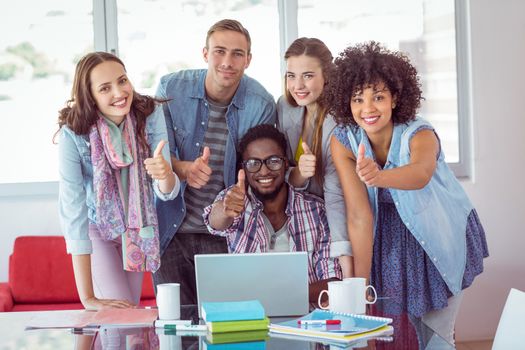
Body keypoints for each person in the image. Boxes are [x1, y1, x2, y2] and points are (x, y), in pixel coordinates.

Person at [327, 41, 489, 344]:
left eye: (378, 97)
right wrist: (359, 287)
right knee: (393, 333)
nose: (368, 109)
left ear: (395, 98)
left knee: (436, 336)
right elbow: (360, 216)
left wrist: (379, 176)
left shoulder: (420, 132)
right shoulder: (343, 140)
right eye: (357, 99)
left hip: (438, 235)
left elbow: (420, 174)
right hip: (385, 242)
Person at [154, 19, 276, 304]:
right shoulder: (171, 88)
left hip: (222, 233)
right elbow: (157, 154)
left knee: (225, 328)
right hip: (170, 230)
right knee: (177, 329)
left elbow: (257, 171)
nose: (227, 62)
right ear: (205, 53)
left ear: (248, 60)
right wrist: (184, 169)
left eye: (237, 54)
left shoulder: (261, 104)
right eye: (219, 51)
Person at [57, 52, 180, 310]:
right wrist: (87, 298)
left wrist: (165, 175)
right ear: (90, 96)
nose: (119, 92)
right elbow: (73, 211)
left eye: (122, 81)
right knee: (120, 313)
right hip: (97, 228)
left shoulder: (150, 114)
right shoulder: (73, 133)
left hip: (138, 229)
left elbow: (166, 193)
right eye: (105, 88)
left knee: (128, 318)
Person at [203, 124, 342, 303]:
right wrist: (225, 211)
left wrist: (280, 296)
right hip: (249, 318)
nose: (264, 171)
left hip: (306, 321)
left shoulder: (316, 210)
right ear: (243, 168)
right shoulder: (235, 199)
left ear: (286, 163)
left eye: (273, 160)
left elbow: (333, 281)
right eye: (253, 163)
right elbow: (214, 222)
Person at [276, 37, 353, 278]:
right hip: (302, 222)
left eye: (307, 75)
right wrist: (300, 172)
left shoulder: (339, 122)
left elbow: (336, 195)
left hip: (338, 221)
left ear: (327, 76)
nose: (297, 85)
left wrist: (349, 271)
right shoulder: (285, 107)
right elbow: (285, 171)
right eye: (291, 75)